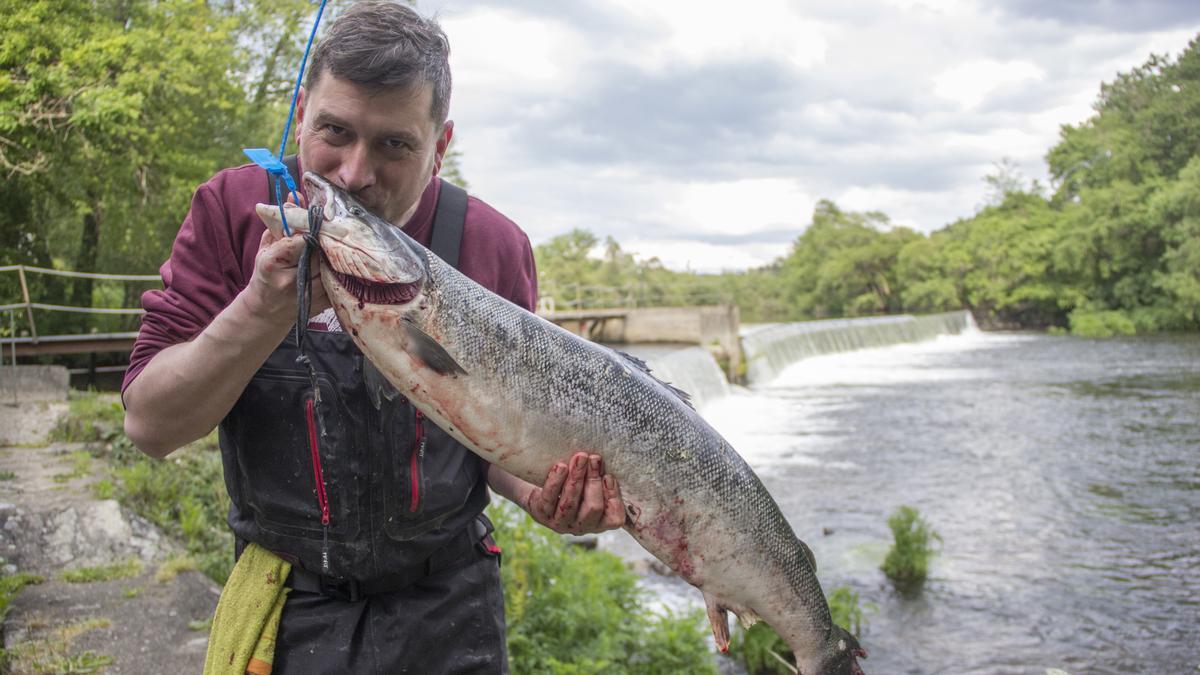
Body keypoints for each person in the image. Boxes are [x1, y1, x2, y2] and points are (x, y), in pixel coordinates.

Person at [121, 2, 625, 671]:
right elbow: (150, 425)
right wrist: (260, 311)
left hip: (451, 606)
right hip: (285, 608)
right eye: (334, 131)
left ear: (439, 146)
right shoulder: (229, 213)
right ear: (301, 112)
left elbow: (502, 433)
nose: (355, 172)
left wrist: (538, 489)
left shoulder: (491, 245)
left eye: (394, 144)